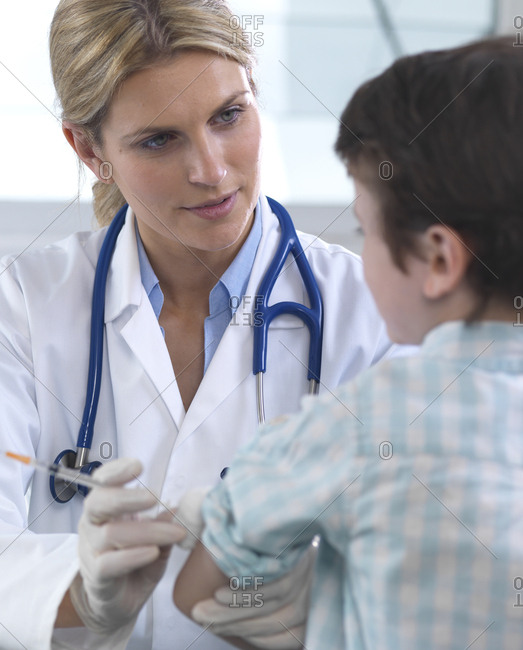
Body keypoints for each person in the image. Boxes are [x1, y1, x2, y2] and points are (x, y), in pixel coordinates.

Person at [0, 1, 398, 648]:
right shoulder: (22, 307)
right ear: (87, 148)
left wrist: (327, 608)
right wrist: (80, 594)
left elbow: (429, 559)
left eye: (228, 116)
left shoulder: (367, 310)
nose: (210, 170)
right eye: (158, 139)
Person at [172, 36, 523, 649]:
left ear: (438, 258)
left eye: (368, 229)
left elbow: (199, 591)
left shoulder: (365, 423)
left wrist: (305, 608)